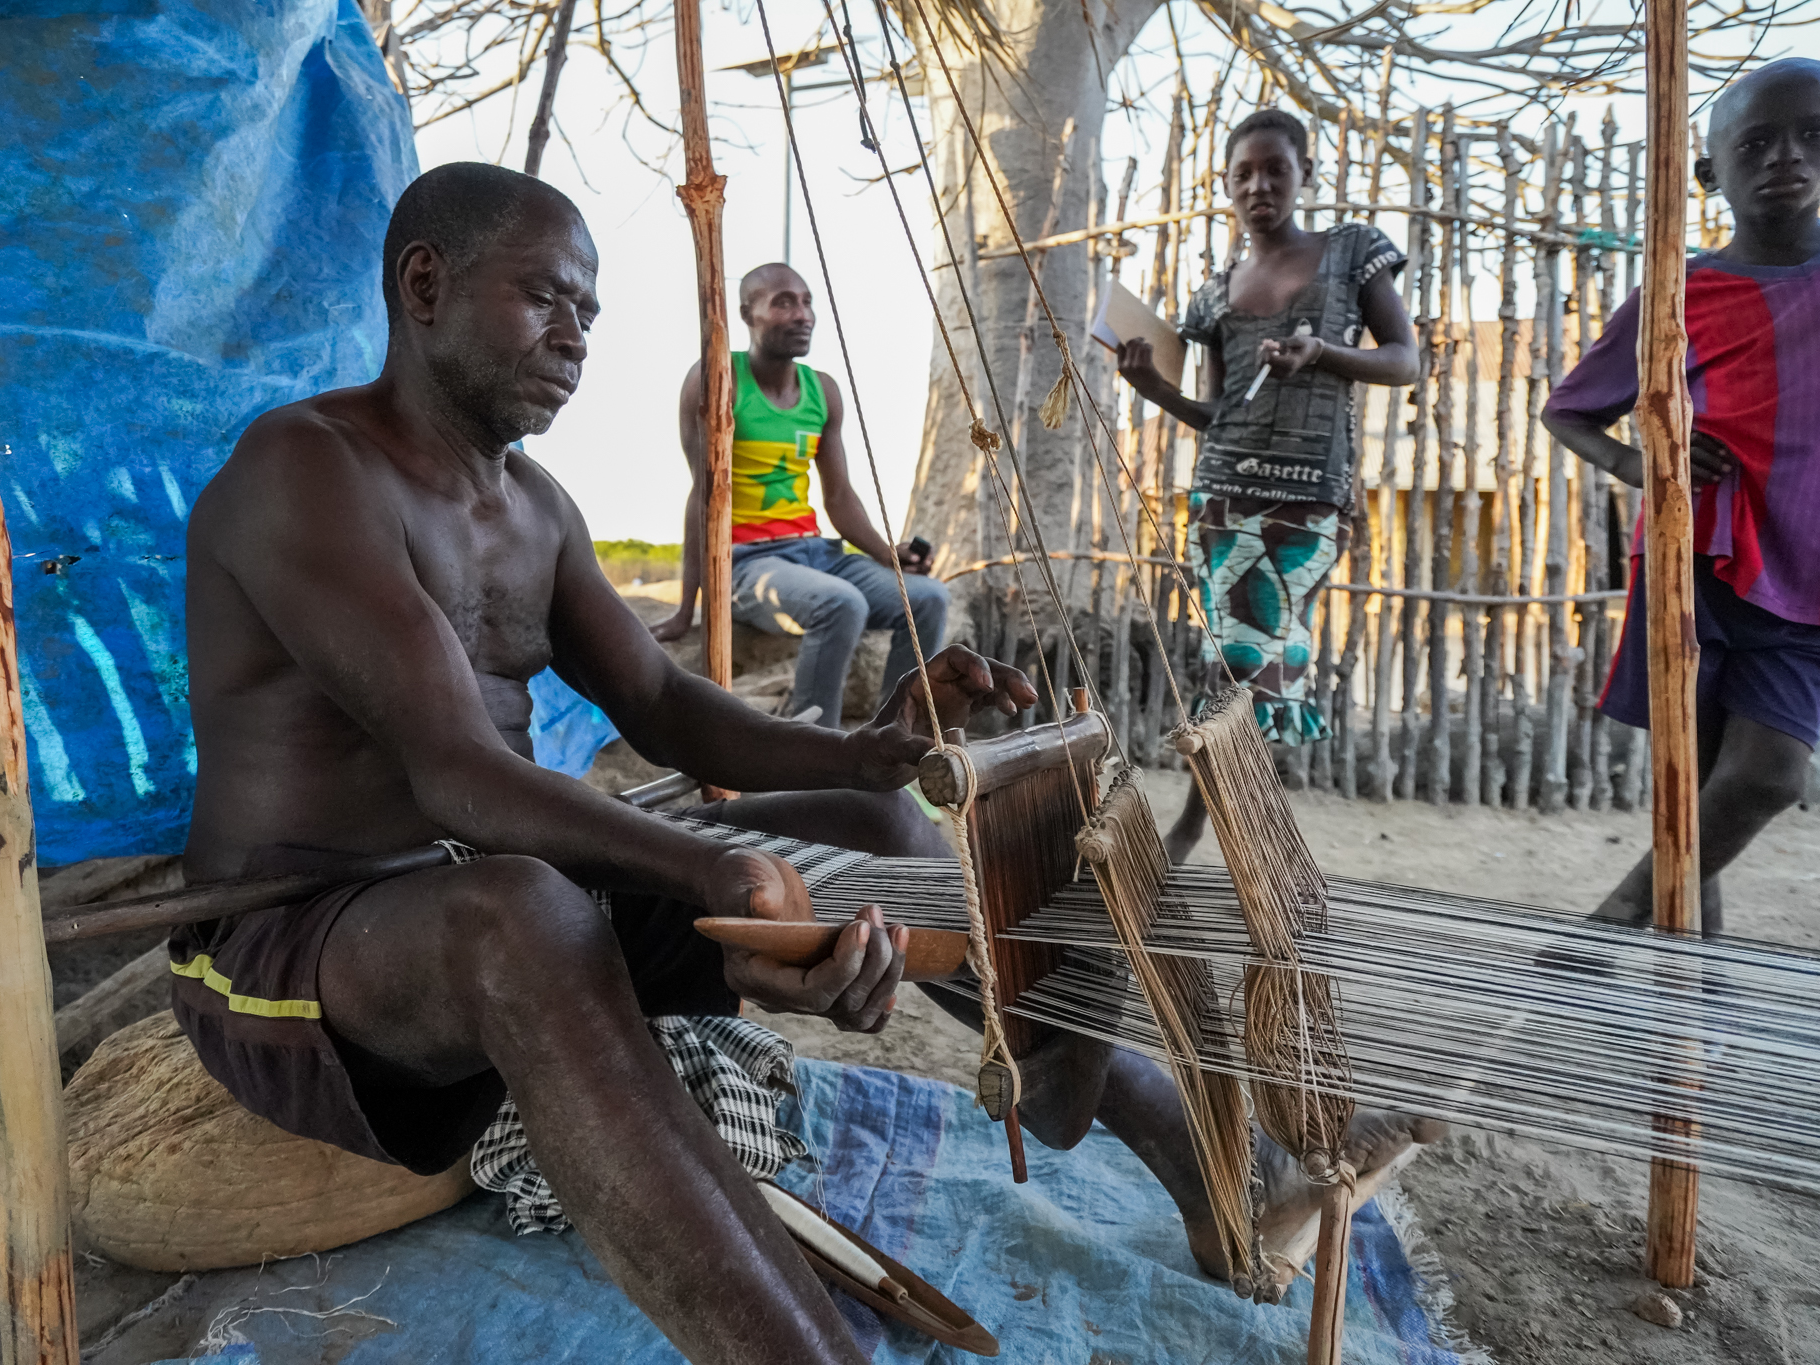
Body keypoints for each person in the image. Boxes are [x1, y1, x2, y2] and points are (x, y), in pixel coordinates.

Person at [181, 162, 1428, 1363]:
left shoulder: (535, 507)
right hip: (306, 935)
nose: (574, 337)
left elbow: (661, 703)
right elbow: (457, 774)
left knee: (864, 827)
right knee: (522, 914)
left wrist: (867, 753)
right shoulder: (308, 470)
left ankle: (1178, 1152)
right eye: (546, 297)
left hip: (494, 880)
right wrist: (707, 870)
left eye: (589, 314)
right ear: (424, 284)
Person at [1542, 57, 1820, 938]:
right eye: (1756, 142)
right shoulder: (1678, 292)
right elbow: (1569, 410)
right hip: (1696, 558)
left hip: (1812, 575)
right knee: (1694, 790)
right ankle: (1696, 989)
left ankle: (1610, 923)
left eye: (1812, 136)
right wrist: (1643, 465)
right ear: (1709, 173)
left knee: (1770, 774)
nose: (1786, 156)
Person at [1114, 110, 1421, 862]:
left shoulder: (1353, 254)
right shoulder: (1216, 294)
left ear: (1304, 174)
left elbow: (1404, 361)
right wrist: (1154, 389)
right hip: (1222, 498)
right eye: (1243, 174)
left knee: (1254, 663)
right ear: (1226, 186)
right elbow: (1218, 414)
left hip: (1310, 499)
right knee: (1236, 663)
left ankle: (1202, 827)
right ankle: (1232, 829)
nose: (1259, 186)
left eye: (1276, 169)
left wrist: (1322, 353)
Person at [652, 263, 950, 726]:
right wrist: (687, 608)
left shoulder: (821, 390)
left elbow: (839, 497)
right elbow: (702, 495)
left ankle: (894, 735)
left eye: (807, 302)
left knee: (929, 597)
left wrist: (890, 556)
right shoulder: (717, 378)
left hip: (816, 553)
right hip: (747, 562)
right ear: (747, 314)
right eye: (784, 303)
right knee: (840, 603)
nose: (802, 315)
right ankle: (817, 751)